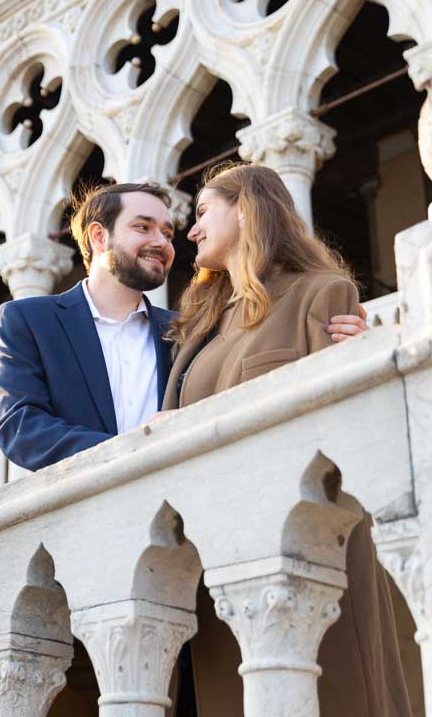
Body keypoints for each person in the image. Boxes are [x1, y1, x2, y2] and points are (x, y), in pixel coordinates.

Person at [160, 161, 411, 717]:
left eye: (203, 212)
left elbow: (352, 434)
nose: (192, 230)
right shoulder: (201, 324)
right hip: (213, 561)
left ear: (246, 209)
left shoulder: (322, 294)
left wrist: (364, 358)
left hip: (304, 559)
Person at [0, 180, 369, 472]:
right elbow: (21, 428)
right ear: (98, 236)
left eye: (168, 234)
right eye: (144, 227)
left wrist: (357, 351)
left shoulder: (190, 331)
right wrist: (135, 446)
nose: (162, 242)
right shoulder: (28, 321)